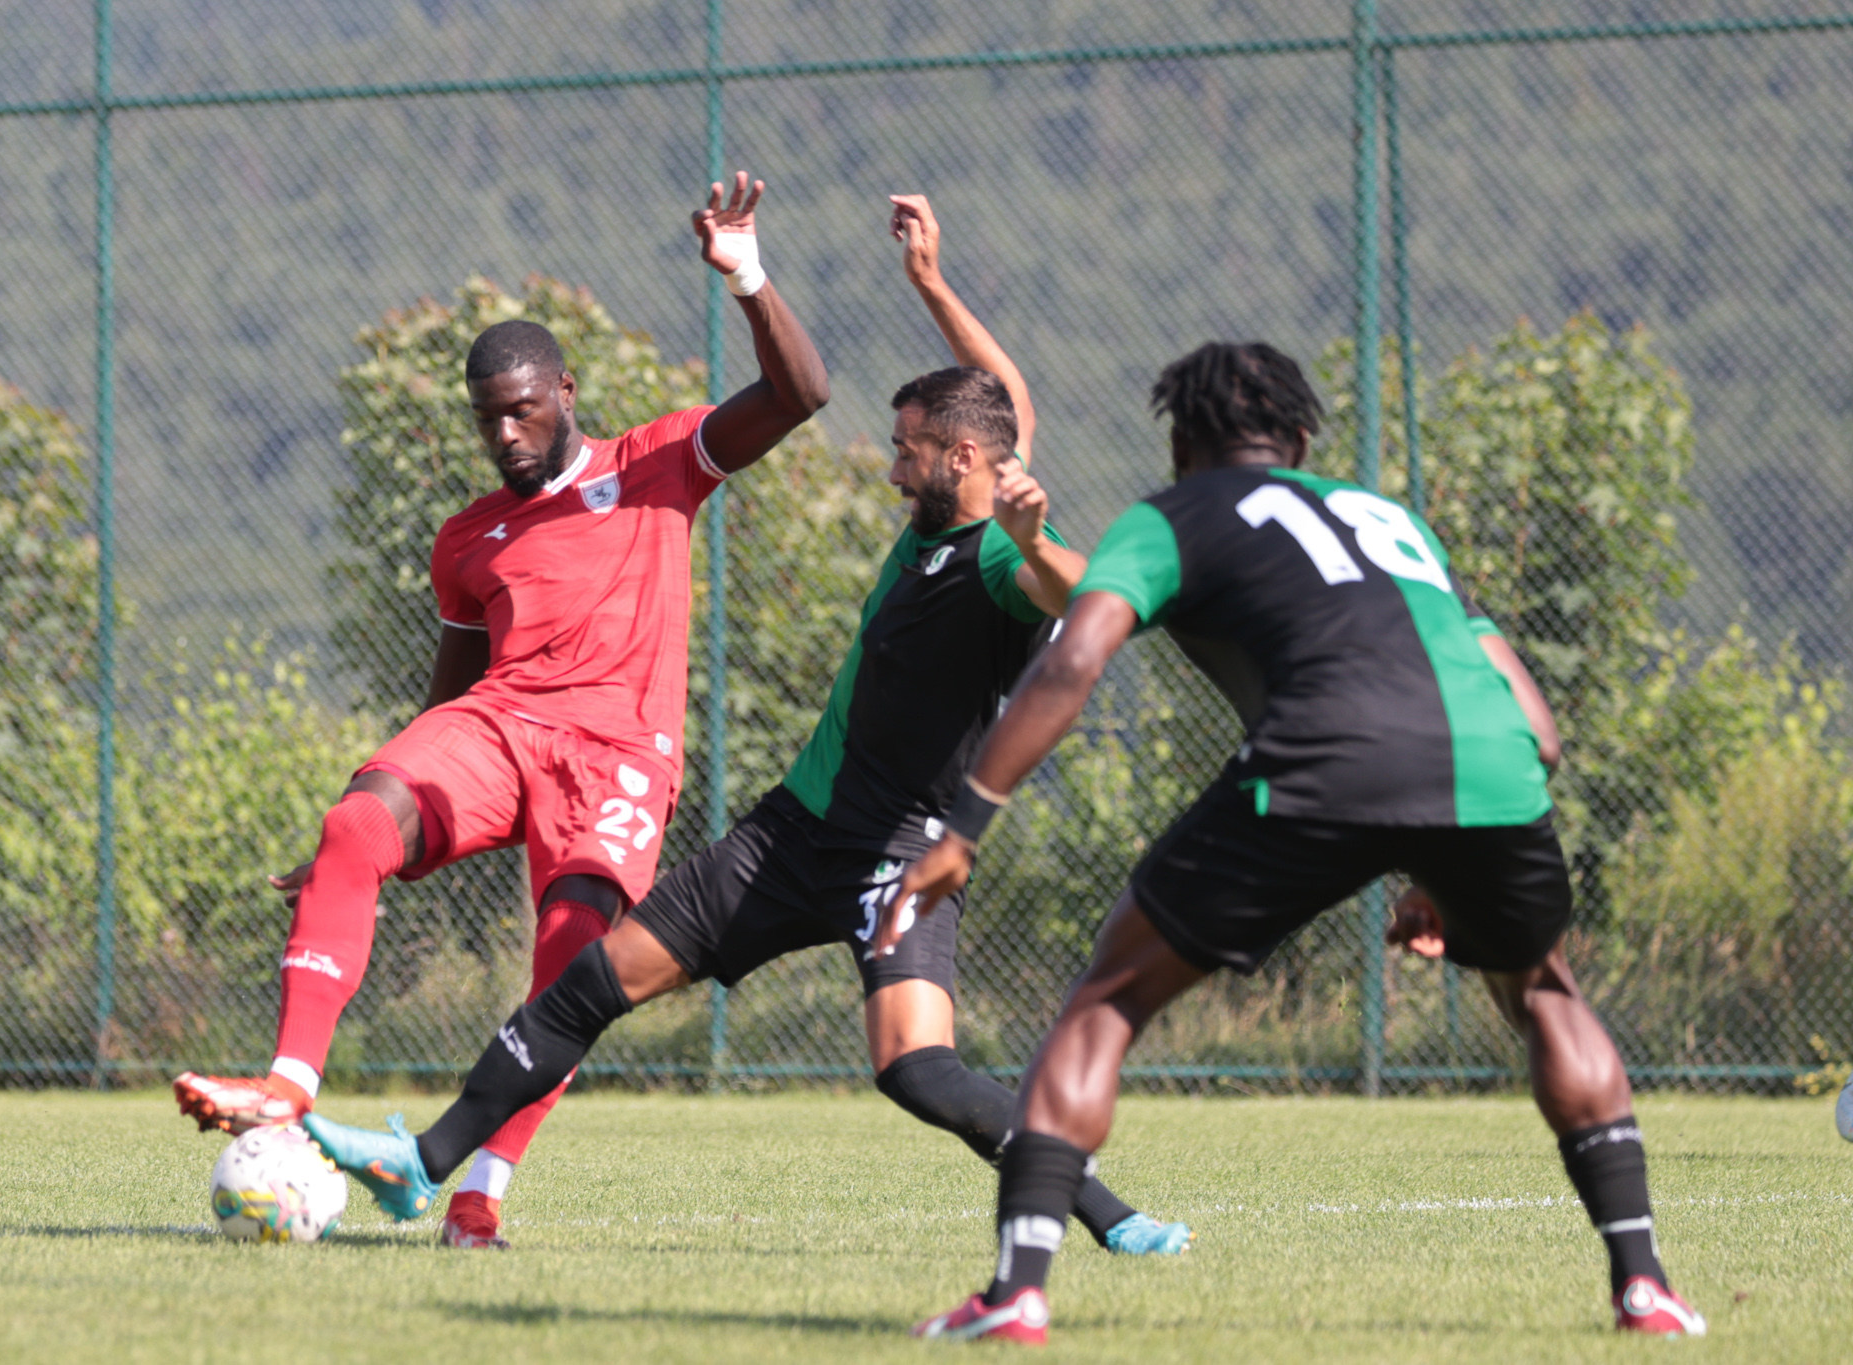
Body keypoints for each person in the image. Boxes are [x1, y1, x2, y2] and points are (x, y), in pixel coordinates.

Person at [300, 195, 1190, 1259]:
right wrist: (928, 285)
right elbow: (1001, 399)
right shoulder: (957, 495)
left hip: (895, 862)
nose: (889, 461)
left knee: (918, 1072)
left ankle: (1109, 1214)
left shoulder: (1000, 554)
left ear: (958, 462)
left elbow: (1082, 598)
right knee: (593, 982)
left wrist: (1039, 542)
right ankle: (425, 1164)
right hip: (788, 836)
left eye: (906, 448)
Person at [883, 341, 1707, 1343]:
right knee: (1541, 991)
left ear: (1181, 443)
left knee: (1105, 1000)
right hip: (1487, 767)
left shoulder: (1170, 516)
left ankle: (1016, 1291)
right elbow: (1537, 728)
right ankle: (1643, 1288)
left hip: (1316, 762)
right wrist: (1437, 861)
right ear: (1302, 438)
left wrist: (966, 821)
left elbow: (1073, 661)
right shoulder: (1389, 522)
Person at [172, 173, 830, 1250]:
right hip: (501, 728)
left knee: (571, 968)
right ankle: (289, 1088)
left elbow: (799, 395)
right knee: (351, 823)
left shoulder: (654, 465)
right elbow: (451, 689)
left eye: (522, 409)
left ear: (564, 390)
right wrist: (374, 825)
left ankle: (474, 1193)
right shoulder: (467, 537)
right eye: (488, 419)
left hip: (617, 757)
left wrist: (747, 276)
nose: (506, 434)